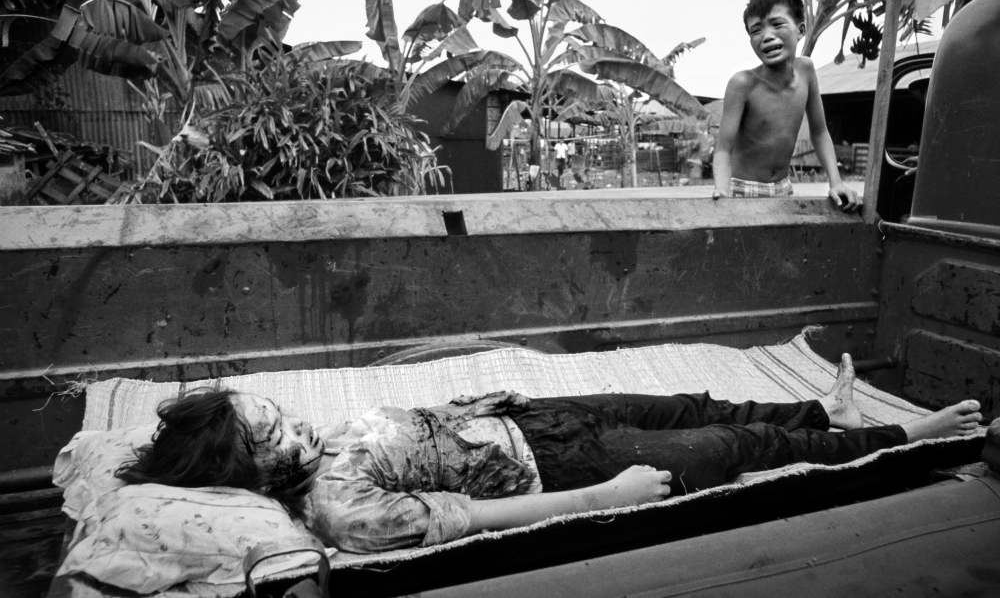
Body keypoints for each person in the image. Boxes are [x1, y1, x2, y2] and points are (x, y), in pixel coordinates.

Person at [116, 355, 981, 554]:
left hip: (530, 414)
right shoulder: (339, 507)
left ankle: (818, 404)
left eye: (279, 411)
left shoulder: (315, 451)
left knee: (692, 402)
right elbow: (474, 517)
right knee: (732, 446)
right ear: (249, 471)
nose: (295, 424)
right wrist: (604, 492)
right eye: (277, 432)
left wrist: (499, 403)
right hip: (558, 466)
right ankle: (898, 435)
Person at [713, 0, 861, 211]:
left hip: (784, 188)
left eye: (777, 24)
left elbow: (819, 131)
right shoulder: (742, 84)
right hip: (743, 190)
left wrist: (836, 182)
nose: (767, 36)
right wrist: (722, 194)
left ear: (800, 30)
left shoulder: (807, 71)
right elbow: (724, 149)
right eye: (756, 30)